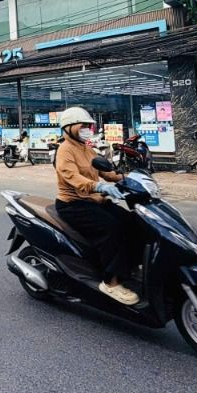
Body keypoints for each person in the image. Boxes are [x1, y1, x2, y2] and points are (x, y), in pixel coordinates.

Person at [54, 107, 138, 305]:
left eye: (88, 125)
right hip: (73, 204)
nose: (87, 129)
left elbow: (106, 172)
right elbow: (73, 177)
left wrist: (129, 179)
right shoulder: (64, 151)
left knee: (133, 221)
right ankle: (110, 282)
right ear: (68, 127)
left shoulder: (87, 148)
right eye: (82, 125)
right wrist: (99, 186)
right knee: (112, 229)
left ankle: (129, 267)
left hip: (94, 200)